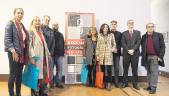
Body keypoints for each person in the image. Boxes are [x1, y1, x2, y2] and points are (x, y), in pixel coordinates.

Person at [4, 8, 29, 96]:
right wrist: (13, 51)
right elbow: (7, 40)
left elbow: (24, 39)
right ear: (14, 14)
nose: (20, 14)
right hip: (14, 54)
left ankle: (18, 93)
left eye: (21, 13)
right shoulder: (10, 24)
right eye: (18, 13)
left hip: (21, 54)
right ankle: (11, 94)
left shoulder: (21, 25)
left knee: (19, 76)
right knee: (13, 75)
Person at [29, 16, 51, 96]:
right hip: (36, 57)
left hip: (43, 57)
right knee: (35, 75)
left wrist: (48, 53)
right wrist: (32, 57)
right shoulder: (31, 31)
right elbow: (29, 45)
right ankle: (33, 93)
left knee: (43, 75)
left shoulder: (40, 31)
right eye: (36, 20)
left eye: (38, 21)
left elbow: (44, 44)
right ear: (32, 22)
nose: (37, 22)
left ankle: (41, 92)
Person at [141, 23, 165, 94]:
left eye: (152, 26)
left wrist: (160, 56)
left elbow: (163, 47)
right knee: (148, 72)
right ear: (146, 28)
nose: (150, 28)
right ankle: (149, 86)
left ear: (153, 27)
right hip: (146, 57)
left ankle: (153, 87)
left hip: (155, 57)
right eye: (149, 27)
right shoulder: (144, 36)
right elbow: (143, 47)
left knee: (154, 72)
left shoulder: (159, 35)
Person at [121, 19, 141, 90]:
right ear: (127, 24)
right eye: (129, 23)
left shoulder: (138, 32)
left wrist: (133, 50)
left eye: (132, 23)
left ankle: (135, 84)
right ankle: (124, 83)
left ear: (133, 24)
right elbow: (123, 43)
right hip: (126, 54)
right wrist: (128, 50)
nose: (131, 24)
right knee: (125, 69)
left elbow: (138, 42)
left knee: (134, 69)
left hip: (135, 54)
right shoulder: (123, 33)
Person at [96, 23, 116, 91]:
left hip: (109, 55)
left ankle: (109, 83)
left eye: (107, 27)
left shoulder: (111, 35)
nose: (106, 28)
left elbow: (114, 44)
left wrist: (112, 49)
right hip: (101, 55)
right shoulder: (99, 35)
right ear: (102, 28)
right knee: (103, 70)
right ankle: (103, 82)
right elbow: (97, 46)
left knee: (109, 70)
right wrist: (97, 55)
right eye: (104, 27)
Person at [41, 15, 55, 87]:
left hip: (48, 54)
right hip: (40, 53)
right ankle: (38, 86)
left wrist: (50, 53)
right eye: (46, 20)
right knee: (40, 71)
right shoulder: (38, 28)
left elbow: (53, 43)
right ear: (42, 20)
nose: (47, 21)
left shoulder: (51, 30)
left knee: (47, 70)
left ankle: (45, 85)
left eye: (48, 20)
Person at [52, 22, 65, 88]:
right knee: (51, 70)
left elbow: (63, 44)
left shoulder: (61, 35)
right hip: (51, 55)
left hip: (60, 55)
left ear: (58, 26)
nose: (55, 26)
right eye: (54, 25)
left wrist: (63, 53)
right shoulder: (50, 34)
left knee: (59, 70)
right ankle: (51, 83)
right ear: (52, 26)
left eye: (56, 25)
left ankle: (58, 83)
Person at [110, 20, 122, 88]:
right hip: (109, 53)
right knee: (109, 68)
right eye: (112, 24)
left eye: (115, 24)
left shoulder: (120, 34)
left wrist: (116, 49)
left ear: (116, 25)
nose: (113, 25)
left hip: (117, 53)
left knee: (116, 68)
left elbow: (121, 43)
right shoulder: (108, 33)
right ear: (110, 25)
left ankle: (116, 82)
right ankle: (109, 81)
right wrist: (111, 49)